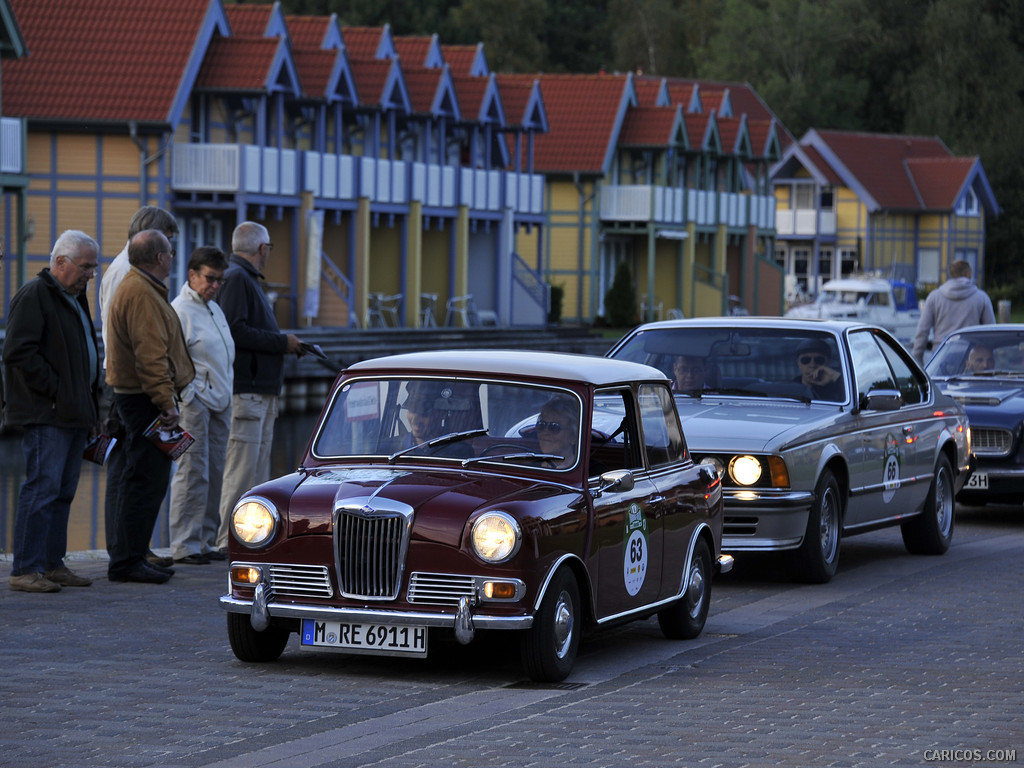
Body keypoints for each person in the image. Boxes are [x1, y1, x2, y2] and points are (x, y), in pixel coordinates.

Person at [3, 230, 101, 593]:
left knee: (62, 491)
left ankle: (51, 563)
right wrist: (59, 391)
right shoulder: (35, 295)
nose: (91, 274)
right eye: (86, 266)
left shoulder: (74, 296)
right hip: (48, 413)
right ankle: (25, 568)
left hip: (74, 412)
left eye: (93, 267)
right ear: (60, 262)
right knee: (41, 490)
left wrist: (91, 401)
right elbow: (17, 352)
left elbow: (85, 351)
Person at [105, 229, 196, 583]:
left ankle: (132, 556)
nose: (174, 257)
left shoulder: (140, 287)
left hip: (139, 396)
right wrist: (165, 401)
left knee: (144, 477)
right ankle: (128, 561)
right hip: (143, 398)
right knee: (145, 478)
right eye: (171, 252)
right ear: (159, 257)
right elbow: (150, 356)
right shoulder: (141, 293)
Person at [215, 222, 304, 553]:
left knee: (255, 470)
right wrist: (282, 343)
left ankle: (247, 536)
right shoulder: (238, 279)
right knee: (242, 470)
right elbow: (234, 331)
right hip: (248, 389)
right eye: (269, 248)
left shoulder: (242, 278)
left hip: (259, 389)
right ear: (262, 249)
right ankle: (229, 539)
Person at [167, 247, 235, 565]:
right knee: (193, 471)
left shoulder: (213, 308)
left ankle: (205, 539)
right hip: (195, 403)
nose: (215, 285)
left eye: (220, 280)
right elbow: (173, 359)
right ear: (192, 274)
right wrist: (189, 395)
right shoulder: (179, 310)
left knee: (216, 471)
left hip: (220, 400)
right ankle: (185, 544)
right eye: (210, 278)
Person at [912, 260, 996, 363]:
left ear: (951, 274)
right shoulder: (981, 297)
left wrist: (917, 360)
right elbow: (991, 331)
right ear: (967, 274)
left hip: (941, 355)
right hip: (971, 356)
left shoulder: (934, 297)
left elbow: (922, 331)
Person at [535, 395, 579, 469]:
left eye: (554, 427)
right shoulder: (529, 466)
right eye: (541, 425)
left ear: (573, 437)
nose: (545, 432)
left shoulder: (590, 472)